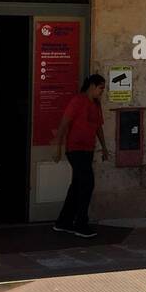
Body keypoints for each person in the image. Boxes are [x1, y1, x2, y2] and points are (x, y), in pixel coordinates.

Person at [51, 73, 110, 236]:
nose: (102, 92)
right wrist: (58, 146)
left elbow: (98, 127)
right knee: (87, 183)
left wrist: (104, 148)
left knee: (77, 186)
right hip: (75, 150)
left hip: (88, 149)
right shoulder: (78, 101)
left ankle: (63, 222)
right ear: (92, 86)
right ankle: (80, 223)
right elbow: (64, 123)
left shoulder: (96, 105)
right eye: (100, 88)